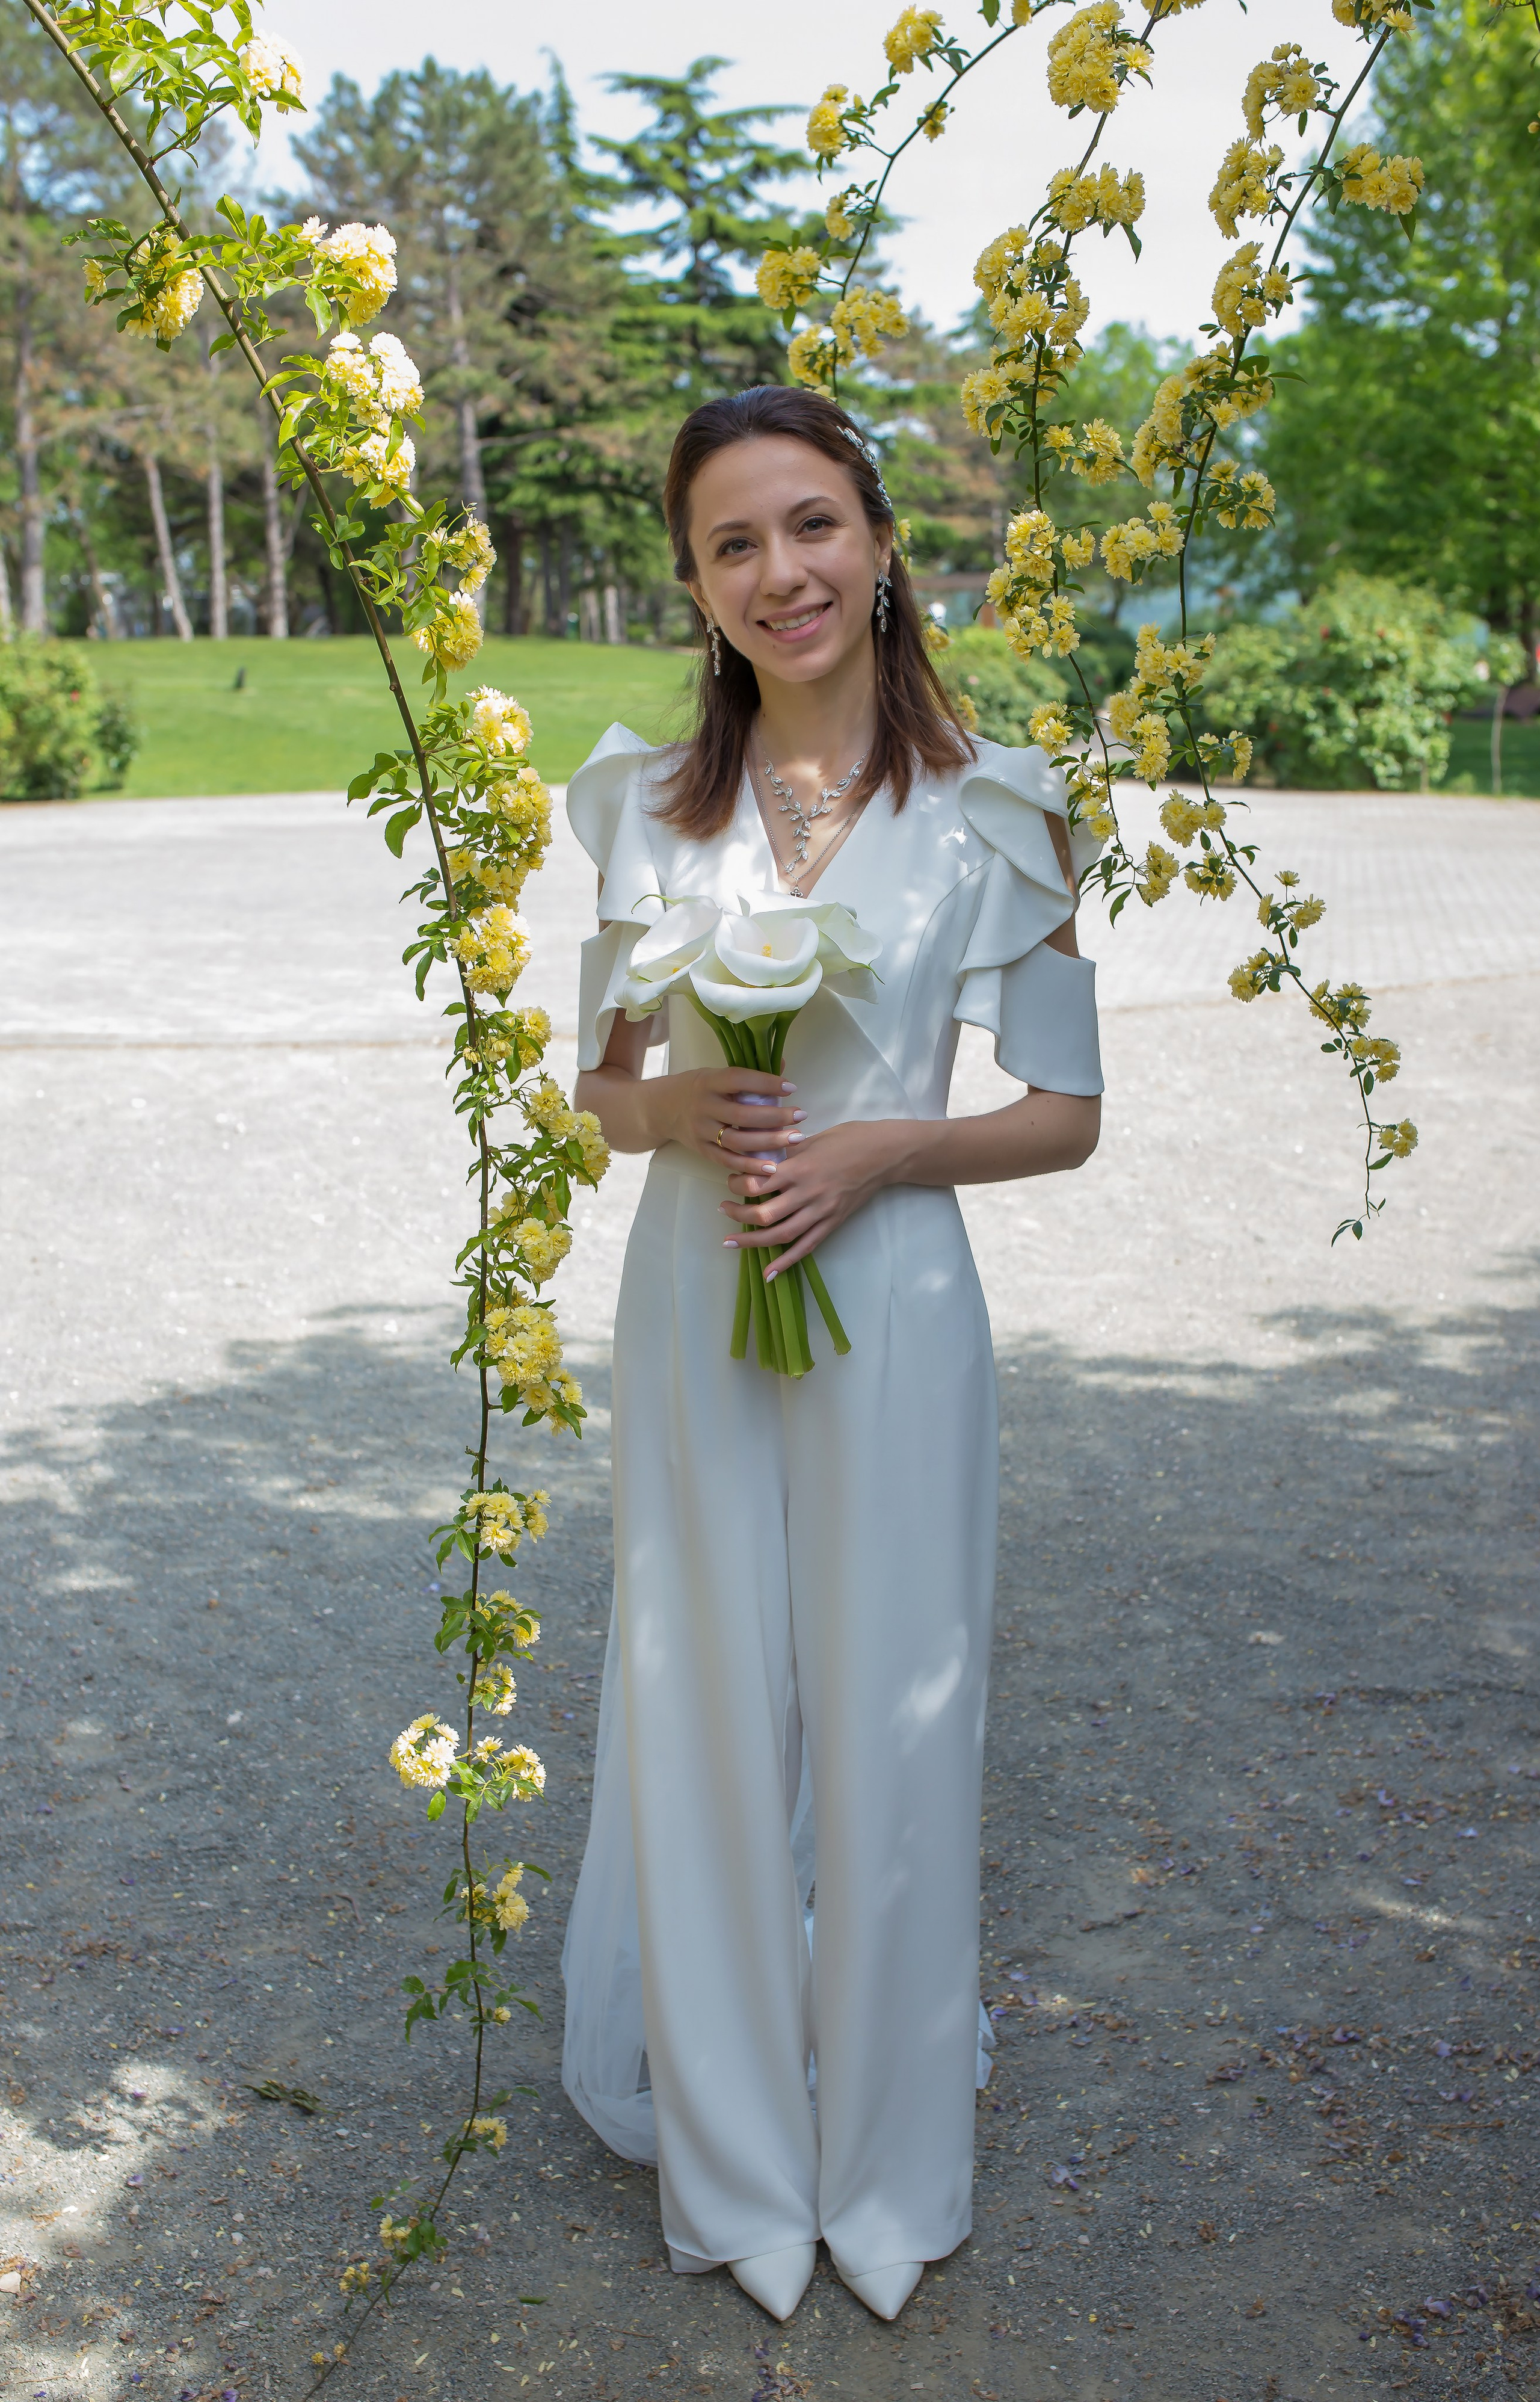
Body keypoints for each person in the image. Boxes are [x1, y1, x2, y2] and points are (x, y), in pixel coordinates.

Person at [559, 384, 1103, 2326]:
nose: (777, 570)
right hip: (695, 1299)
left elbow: (1063, 1111)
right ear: (698, 589)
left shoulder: (1002, 807)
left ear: (879, 541)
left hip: (903, 1310)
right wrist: (675, 1117)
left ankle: (886, 2172)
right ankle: (735, 2173)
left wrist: (886, 1146)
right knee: (701, 1713)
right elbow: (596, 1096)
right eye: (731, 543)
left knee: (898, 1718)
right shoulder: (645, 803)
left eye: (809, 524)